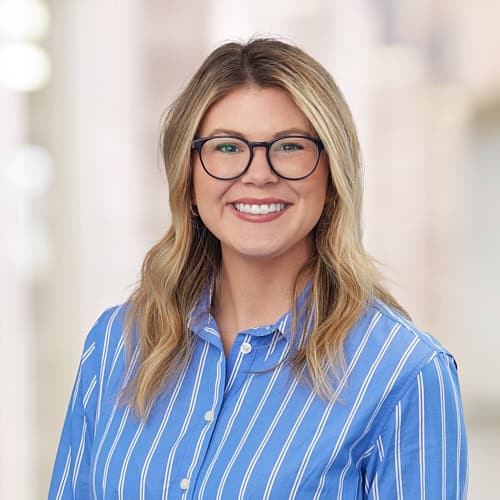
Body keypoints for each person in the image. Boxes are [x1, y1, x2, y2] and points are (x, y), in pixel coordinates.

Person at [49, 38, 468, 499]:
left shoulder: (405, 373)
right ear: (188, 177)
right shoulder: (115, 345)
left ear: (331, 174)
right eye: (227, 148)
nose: (259, 174)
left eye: (289, 146)